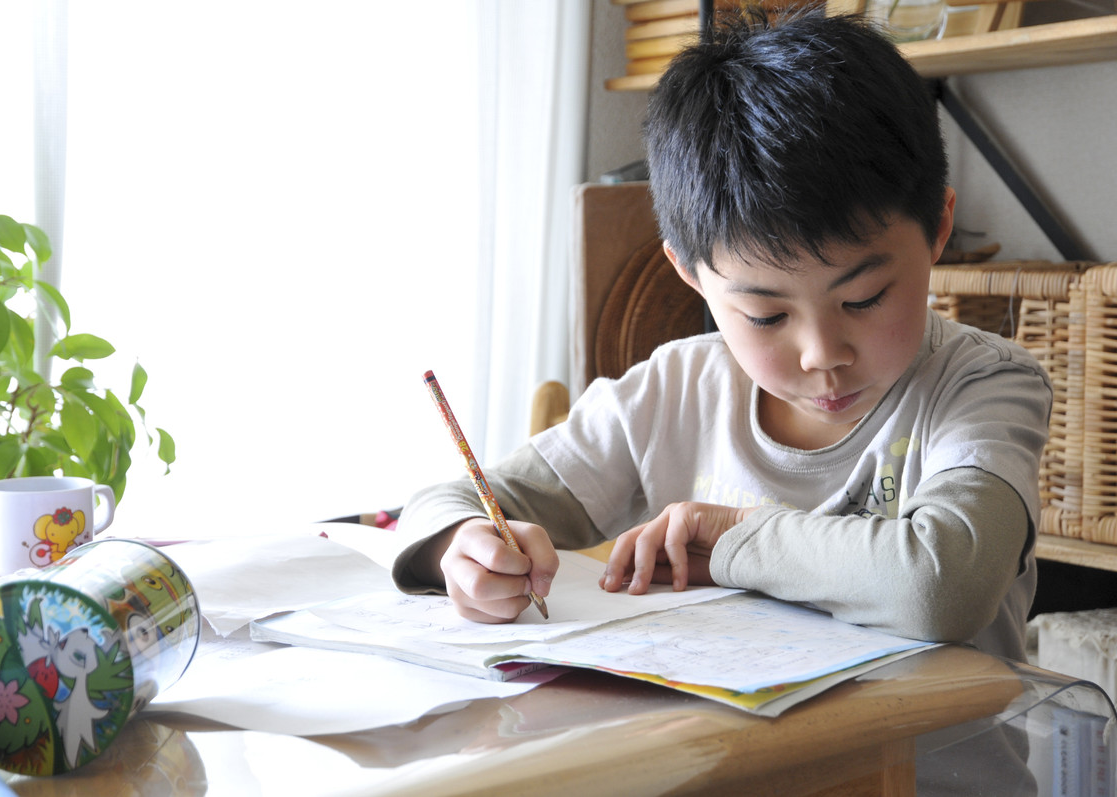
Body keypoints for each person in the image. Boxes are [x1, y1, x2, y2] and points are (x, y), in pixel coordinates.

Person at [391, 10, 1050, 668]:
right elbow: (452, 500)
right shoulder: (672, 390)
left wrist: (733, 536)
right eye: (766, 315)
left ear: (938, 227)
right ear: (690, 272)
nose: (823, 353)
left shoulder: (982, 385)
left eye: (863, 298)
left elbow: (943, 583)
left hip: (923, 771)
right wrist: (460, 544)